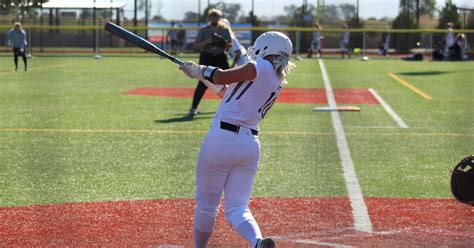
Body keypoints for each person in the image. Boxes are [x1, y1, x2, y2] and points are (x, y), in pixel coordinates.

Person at [179, 31, 295, 248]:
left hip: (222, 140)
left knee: (206, 205)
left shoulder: (259, 66)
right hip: (249, 145)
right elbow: (228, 92)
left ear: (265, 48)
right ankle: (258, 242)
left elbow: (222, 76)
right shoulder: (277, 78)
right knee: (238, 208)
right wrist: (200, 76)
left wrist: (202, 69)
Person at [188, 8, 232, 116]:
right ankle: (194, 108)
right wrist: (207, 42)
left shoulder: (224, 29)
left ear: (219, 18)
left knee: (230, 81)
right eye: (212, 16)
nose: (215, 18)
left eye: (217, 16)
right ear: (209, 18)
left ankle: (232, 107)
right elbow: (196, 45)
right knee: (202, 82)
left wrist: (221, 41)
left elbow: (230, 45)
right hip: (207, 57)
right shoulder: (204, 30)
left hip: (220, 57)